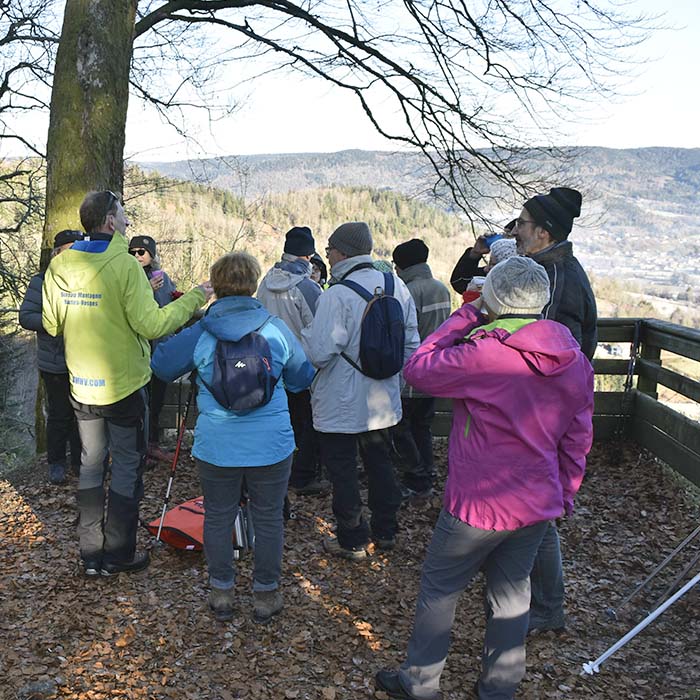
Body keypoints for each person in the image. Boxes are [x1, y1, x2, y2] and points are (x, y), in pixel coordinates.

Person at [375, 256, 593, 700]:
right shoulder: (573, 358)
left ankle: (420, 683)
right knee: (512, 598)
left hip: (477, 504)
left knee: (441, 590)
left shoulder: (485, 353)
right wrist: (565, 493)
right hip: (535, 503)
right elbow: (577, 437)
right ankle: (498, 688)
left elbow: (418, 367)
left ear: (495, 298)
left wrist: (470, 311)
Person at [42, 190, 212, 577]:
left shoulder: (61, 264)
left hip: (81, 384)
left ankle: (90, 554)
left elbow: (51, 324)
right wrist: (195, 298)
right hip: (122, 387)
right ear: (108, 222)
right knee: (125, 467)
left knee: (89, 465)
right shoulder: (124, 266)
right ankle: (118, 554)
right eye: (122, 216)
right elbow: (152, 325)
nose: (127, 223)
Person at [151, 252, 315, 623]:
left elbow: (161, 366)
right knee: (269, 517)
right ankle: (266, 595)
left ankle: (222, 591)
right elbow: (303, 376)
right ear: (254, 283)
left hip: (217, 445)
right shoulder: (274, 328)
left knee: (219, 515)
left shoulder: (202, 331)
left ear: (217, 285)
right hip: (271, 444)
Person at [301, 222, 420, 560]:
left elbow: (319, 351)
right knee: (380, 463)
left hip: (341, 400)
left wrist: (307, 337)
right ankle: (386, 529)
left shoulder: (337, 294)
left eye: (328, 250)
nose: (327, 255)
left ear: (341, 252)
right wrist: (397, 383)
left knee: (343, 471)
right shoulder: (395, 284)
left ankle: (352, 537)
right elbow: (411, 341)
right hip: (383, 399)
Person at [511, 186, 597, 633]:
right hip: (545, 413)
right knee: (534, 512)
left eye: (522, 224)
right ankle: (537, 601)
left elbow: (558, 355)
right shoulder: (552, 268)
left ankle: (546, 607)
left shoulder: (557, 278)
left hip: (545, 414)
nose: (517, 231)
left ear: (543, 232)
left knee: (539, 515)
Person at [257, 226, 325, 495]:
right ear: (308, 257)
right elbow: (321, 328)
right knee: (307, 423)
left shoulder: (265, 282)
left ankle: (274, 471)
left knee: (276, 419)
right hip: (301, 366)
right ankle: (303, 476)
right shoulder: (307, 287)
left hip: (267, 364)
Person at [19, 230, 84, 485]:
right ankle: (56, 463)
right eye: (67, 250)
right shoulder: (41, 281)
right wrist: (53, 322)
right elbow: (26, 317)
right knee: (59, 414)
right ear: (56, 253)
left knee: (85, 414)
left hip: (85, 360)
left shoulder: (88, 279)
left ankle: (81, 464)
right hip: (54, 360)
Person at [390, 238, 451, 500]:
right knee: (423, 426)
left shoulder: (408, 291)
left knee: (402, 428)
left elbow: (401, 334)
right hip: (436, 369)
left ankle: (417, 478)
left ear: (402, 265)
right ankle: (427, 470)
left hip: (410, 371)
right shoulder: (441, 288)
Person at [128, 234, 180, 465]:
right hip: (139, 350)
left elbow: (167, 307)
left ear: (152, 254)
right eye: (133, 252)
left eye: (142, 252)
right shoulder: (129, 277)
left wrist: (179, 299)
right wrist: (146, 289)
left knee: (156, 399)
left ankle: (153, 444)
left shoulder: (163, 277)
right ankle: (140, 447)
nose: (137, 256)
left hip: (160, 347)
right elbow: (135, 310)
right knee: (141, 401)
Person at [450, 219, 516, 294]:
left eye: (510, 236)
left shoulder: (526, 278)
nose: (502, 241)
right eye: (505, 234)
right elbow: (459, 282)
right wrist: (475, 253)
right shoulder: (492, 272)